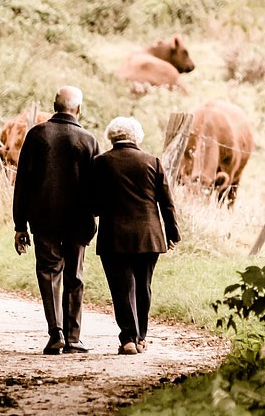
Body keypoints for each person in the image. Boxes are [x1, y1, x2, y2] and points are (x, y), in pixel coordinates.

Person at [12, 86, 100, 355]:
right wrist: (95, 215)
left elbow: (22, 183)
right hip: (78, 221)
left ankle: (56, 333)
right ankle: (74, 338)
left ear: (54, 105)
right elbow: (97, 186)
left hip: (43, 219)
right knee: (75, 275)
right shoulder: (88, 140)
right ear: (79, 109)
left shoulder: (37, 135)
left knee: (49, 273)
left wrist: (20, 225)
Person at [93, 117, 180, 355]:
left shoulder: (100, 163)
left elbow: (93, 203)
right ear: (136, 137)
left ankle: (128, 339)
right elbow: (167, 203)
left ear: (111, 137)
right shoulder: (152, 161)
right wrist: (172, 233)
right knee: (144, 286)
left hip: (114, 236)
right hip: (149, 236)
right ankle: (141, 337)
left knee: (121, 288)